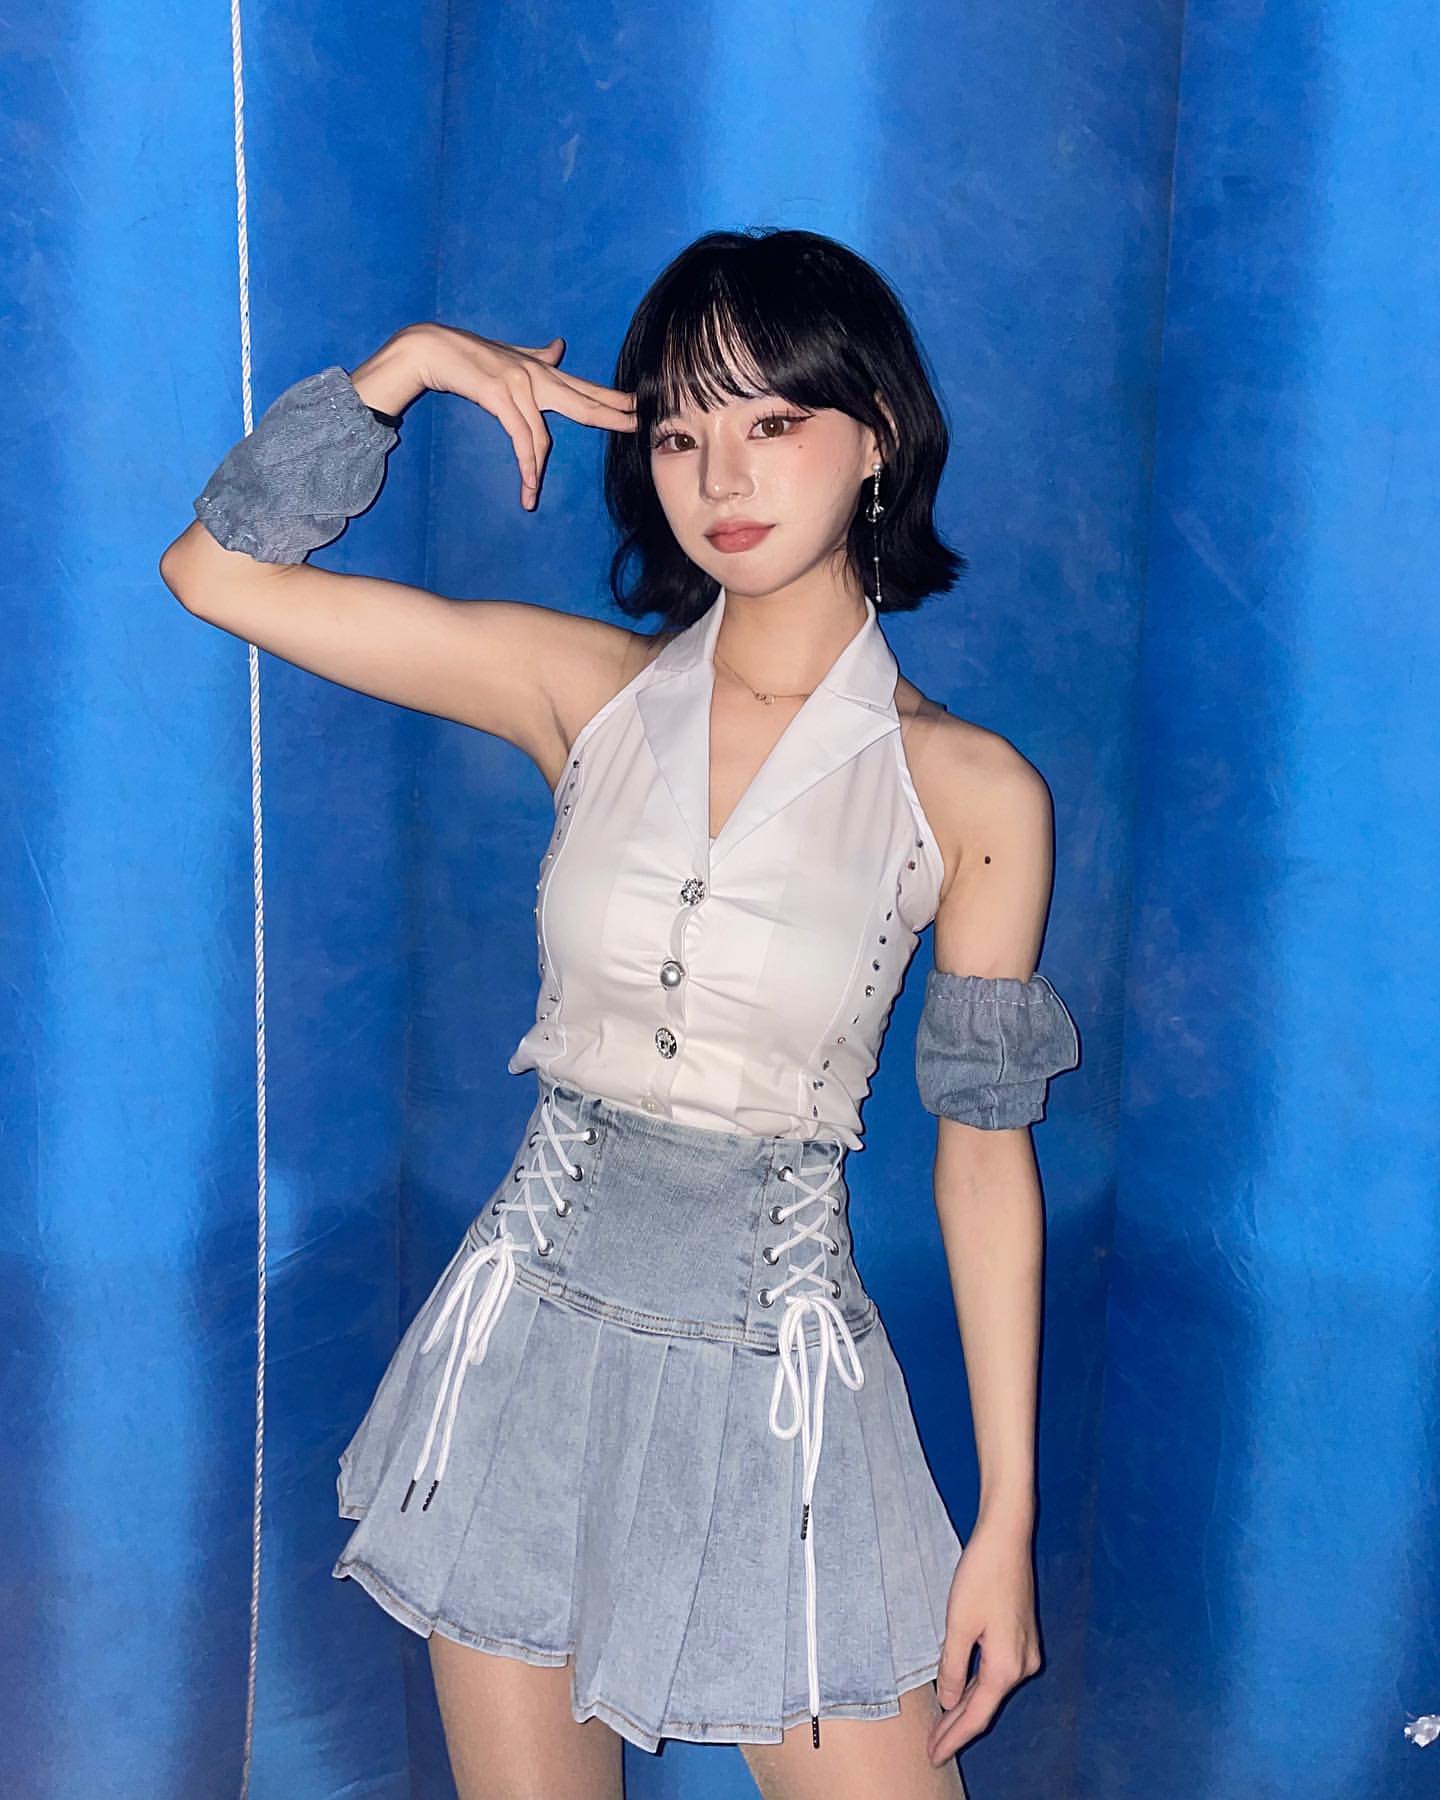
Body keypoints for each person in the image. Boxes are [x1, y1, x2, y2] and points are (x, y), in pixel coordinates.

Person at [160, 226, 1080, 1800]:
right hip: (520, 1361)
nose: (722, 474)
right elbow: (214, 573)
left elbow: (985, 1162)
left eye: (773, 420)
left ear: (877, 438)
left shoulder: (972, 789)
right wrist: (408, 369)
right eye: (677, 431)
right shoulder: (582, 692)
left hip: (780, 1386)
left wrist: (1004, 1523)